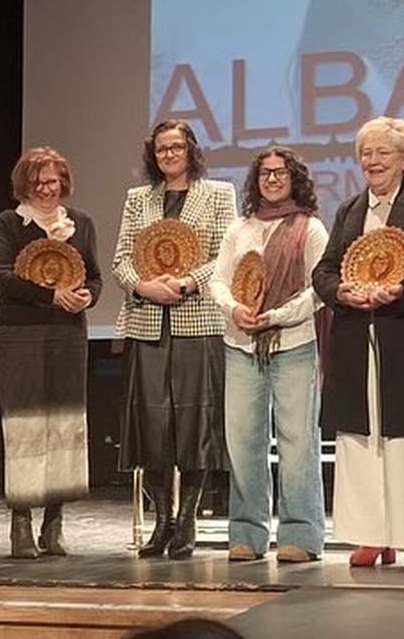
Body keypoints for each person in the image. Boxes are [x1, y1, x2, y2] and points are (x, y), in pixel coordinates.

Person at [313, 116, 404, 571]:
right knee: (360, 438)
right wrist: (341, 292)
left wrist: (403, 289)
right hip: (357, 337)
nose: (371, 160)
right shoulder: (349, 210)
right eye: (366, 152)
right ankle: (371, 536)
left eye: (382, 152)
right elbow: (324, 271)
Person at [112, 120, 236, 560]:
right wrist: (142, 287)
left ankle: (188, 522)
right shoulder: (137, 199)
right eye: (162, 148)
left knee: (195, 425)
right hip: (148, 322)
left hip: (197, 321)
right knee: (153, 426)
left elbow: (226, 253)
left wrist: (184, 283)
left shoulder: (219, 194)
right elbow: (122, 258)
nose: (168, 155)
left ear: (191, 151)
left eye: (176, 147)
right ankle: (161, 521)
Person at [210, 147, 328, 563]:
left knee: (298, 443)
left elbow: (319, 290)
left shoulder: (310, 228)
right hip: (240, 344)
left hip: (293, 343)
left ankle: (302, 535)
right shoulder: (239, 228)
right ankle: (247, 534)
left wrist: (276, 315)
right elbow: (217, 281)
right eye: (265, 174)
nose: (273, 180)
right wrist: (234, 310)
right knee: (243, 442)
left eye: (280, 173)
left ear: (295, 178)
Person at [0, 147, 102, 558]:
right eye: (37, 183)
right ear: (25, 185)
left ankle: (54, 524)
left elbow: (94, 276)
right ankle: (21, 522)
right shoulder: (10, 222)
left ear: (63, 183)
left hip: (67, 337)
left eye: (52, 182)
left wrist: (87, 296)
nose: (45, 190)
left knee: (62, 425)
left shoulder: (82, 223)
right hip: (20, 336)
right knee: (23, 429)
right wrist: (50, 295)